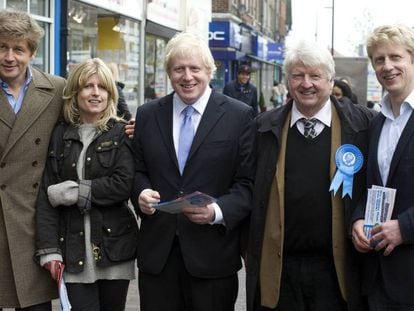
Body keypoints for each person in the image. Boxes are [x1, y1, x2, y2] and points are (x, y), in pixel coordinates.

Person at [245, 40, 374, 311]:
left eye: (315, 75)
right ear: (288, 80)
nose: (306, 84)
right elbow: (245, 186)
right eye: (298, 75)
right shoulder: (263, 128)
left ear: (329, 80)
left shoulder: (363, 125)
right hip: (280, 272)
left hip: (338, 271)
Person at [131, 32, 256, 311]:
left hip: (212, 258)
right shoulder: (148, 114)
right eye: (179, 69)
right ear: (169, 73)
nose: (187, 76)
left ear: (209, 71)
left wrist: (217, 211)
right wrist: (140, 192)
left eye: (195, 69)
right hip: (158, 258)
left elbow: (247, 183)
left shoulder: (239, 116)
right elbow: (138, 170)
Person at [34, 58, 138, 311]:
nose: (95, 93)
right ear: (74, 92)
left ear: (110, 94)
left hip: (114, 252)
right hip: (73, 252)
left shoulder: (121, 133)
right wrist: (49, 251)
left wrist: (76, 192)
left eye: (102, 87)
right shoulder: (60, 135)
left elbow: (123, 184)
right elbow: (45, 197)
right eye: (88, 86)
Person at [0, 10, 66, 310]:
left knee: (36, 305)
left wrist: (128, 129)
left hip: (35, 222)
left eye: (18, 49)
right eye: (2, 47)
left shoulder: (57, 90)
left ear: (32, 52)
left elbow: (89, 125)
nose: (9, 56)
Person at [351, 24, 414, 310]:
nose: (387, 66)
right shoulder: (376, 121)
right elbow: (371, 186)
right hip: (377, 277)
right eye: (379, 59)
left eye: (395, 57)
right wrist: (358, 219)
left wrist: (406, 227)